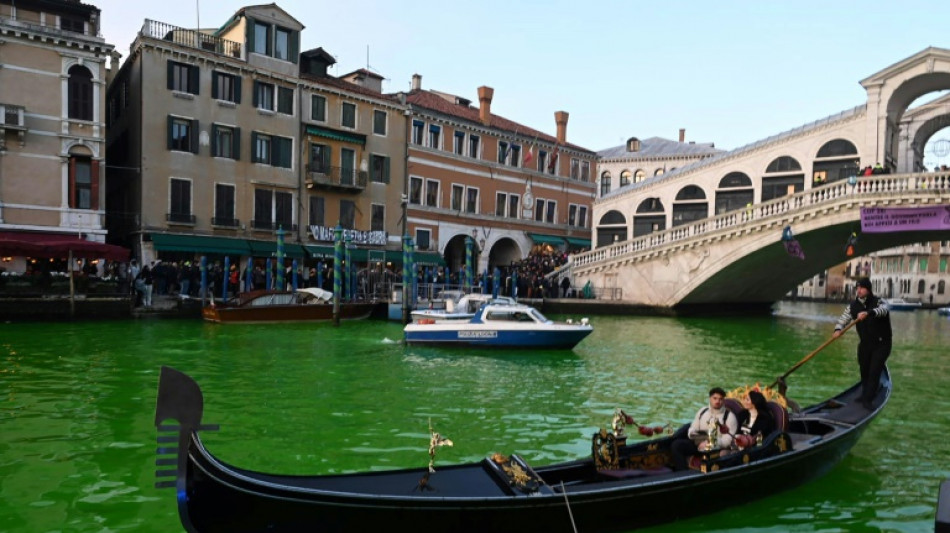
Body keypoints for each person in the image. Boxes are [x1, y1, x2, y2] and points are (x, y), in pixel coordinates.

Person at [832, 277, 891, 410]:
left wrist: (869, 313)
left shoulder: (878, 301)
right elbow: (843, 319)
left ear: (868, 289)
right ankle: (865, 393)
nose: (858, 290)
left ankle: (868, 399)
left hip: (882, 344)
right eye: (857, 288)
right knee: (864, 370)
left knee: (874, 371)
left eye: (861, 288)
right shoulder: (852, 306)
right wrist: (837, 329)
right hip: (865, 344)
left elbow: (885, 310)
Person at [670, 387, 738, 470]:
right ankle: (682, 472)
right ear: (710, 398)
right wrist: (692, 434)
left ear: (723, 400)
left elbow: (727, 441)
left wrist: (710, 443)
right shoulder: (702, 411)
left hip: (716, 447)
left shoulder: (730, 417)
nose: (717, 401)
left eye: (720, 399)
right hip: (698, 442)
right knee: (676, 445)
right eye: (715, 398)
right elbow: (693, 427)